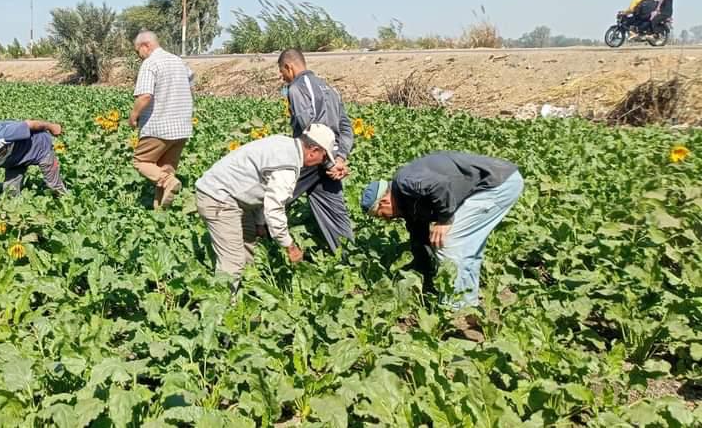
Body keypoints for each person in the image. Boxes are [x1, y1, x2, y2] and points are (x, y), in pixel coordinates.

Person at [360, 152, 524, 309]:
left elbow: (439, 185)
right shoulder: (408, 206)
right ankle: (467, 305)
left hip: (497, 184)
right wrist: (423, 276)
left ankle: (455, 308)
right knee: (466, 250)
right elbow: (420, 241)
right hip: (497, 182)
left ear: (384, 202)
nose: (386, 219)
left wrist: (444, 220)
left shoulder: (405, 182)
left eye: (381, 215)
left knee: (449, 241)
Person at [196, 124, 337, 281]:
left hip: (228, 195)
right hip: (219, 199)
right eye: (324, 157)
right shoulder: (288, 166)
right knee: (233, 260)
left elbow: (258, 184)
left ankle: (246, 289)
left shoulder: (283, 143)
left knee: (248, 240)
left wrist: (259, 223)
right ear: (314, 151)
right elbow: (274, 209)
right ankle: (222, 301)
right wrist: (290, 246)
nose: (321, 162)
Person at [277, 48, 354, 252]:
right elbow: (346, 127)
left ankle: (253, 248)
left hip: (310, 160)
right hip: (331, 164)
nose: (281, 77)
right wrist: (340, 158)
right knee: (335, 215)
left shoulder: (296, 88)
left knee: (273, 198)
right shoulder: (330, 88)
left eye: (281, 72)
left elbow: (308, 128)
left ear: (289, 67)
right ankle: (352, 264)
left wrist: (328, 160)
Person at [129, 30, 195, 209]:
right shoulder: (178, 61)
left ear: (146, 45)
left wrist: (133, 116)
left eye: (138, 51)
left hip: (159, 126)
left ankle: (168, 182)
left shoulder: (150, 63)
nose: (139, 56)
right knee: (165, 167)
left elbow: (145, 96)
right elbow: (190, 87)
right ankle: (160, 213)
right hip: (181, 127)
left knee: (141, 161)